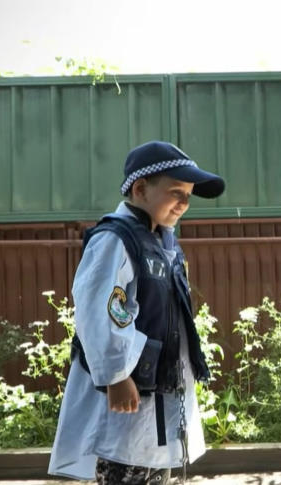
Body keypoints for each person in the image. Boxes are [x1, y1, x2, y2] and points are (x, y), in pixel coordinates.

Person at [48, 140, 226, 484]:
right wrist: (115, 375)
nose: (184, 203)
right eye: (176, 192)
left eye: (189, 195)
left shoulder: (161, 242)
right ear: (141, 189)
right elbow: (98, 311)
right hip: (128, 391)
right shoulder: (116, 239)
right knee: (125, 468)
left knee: (153, 468)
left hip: (157, 391)